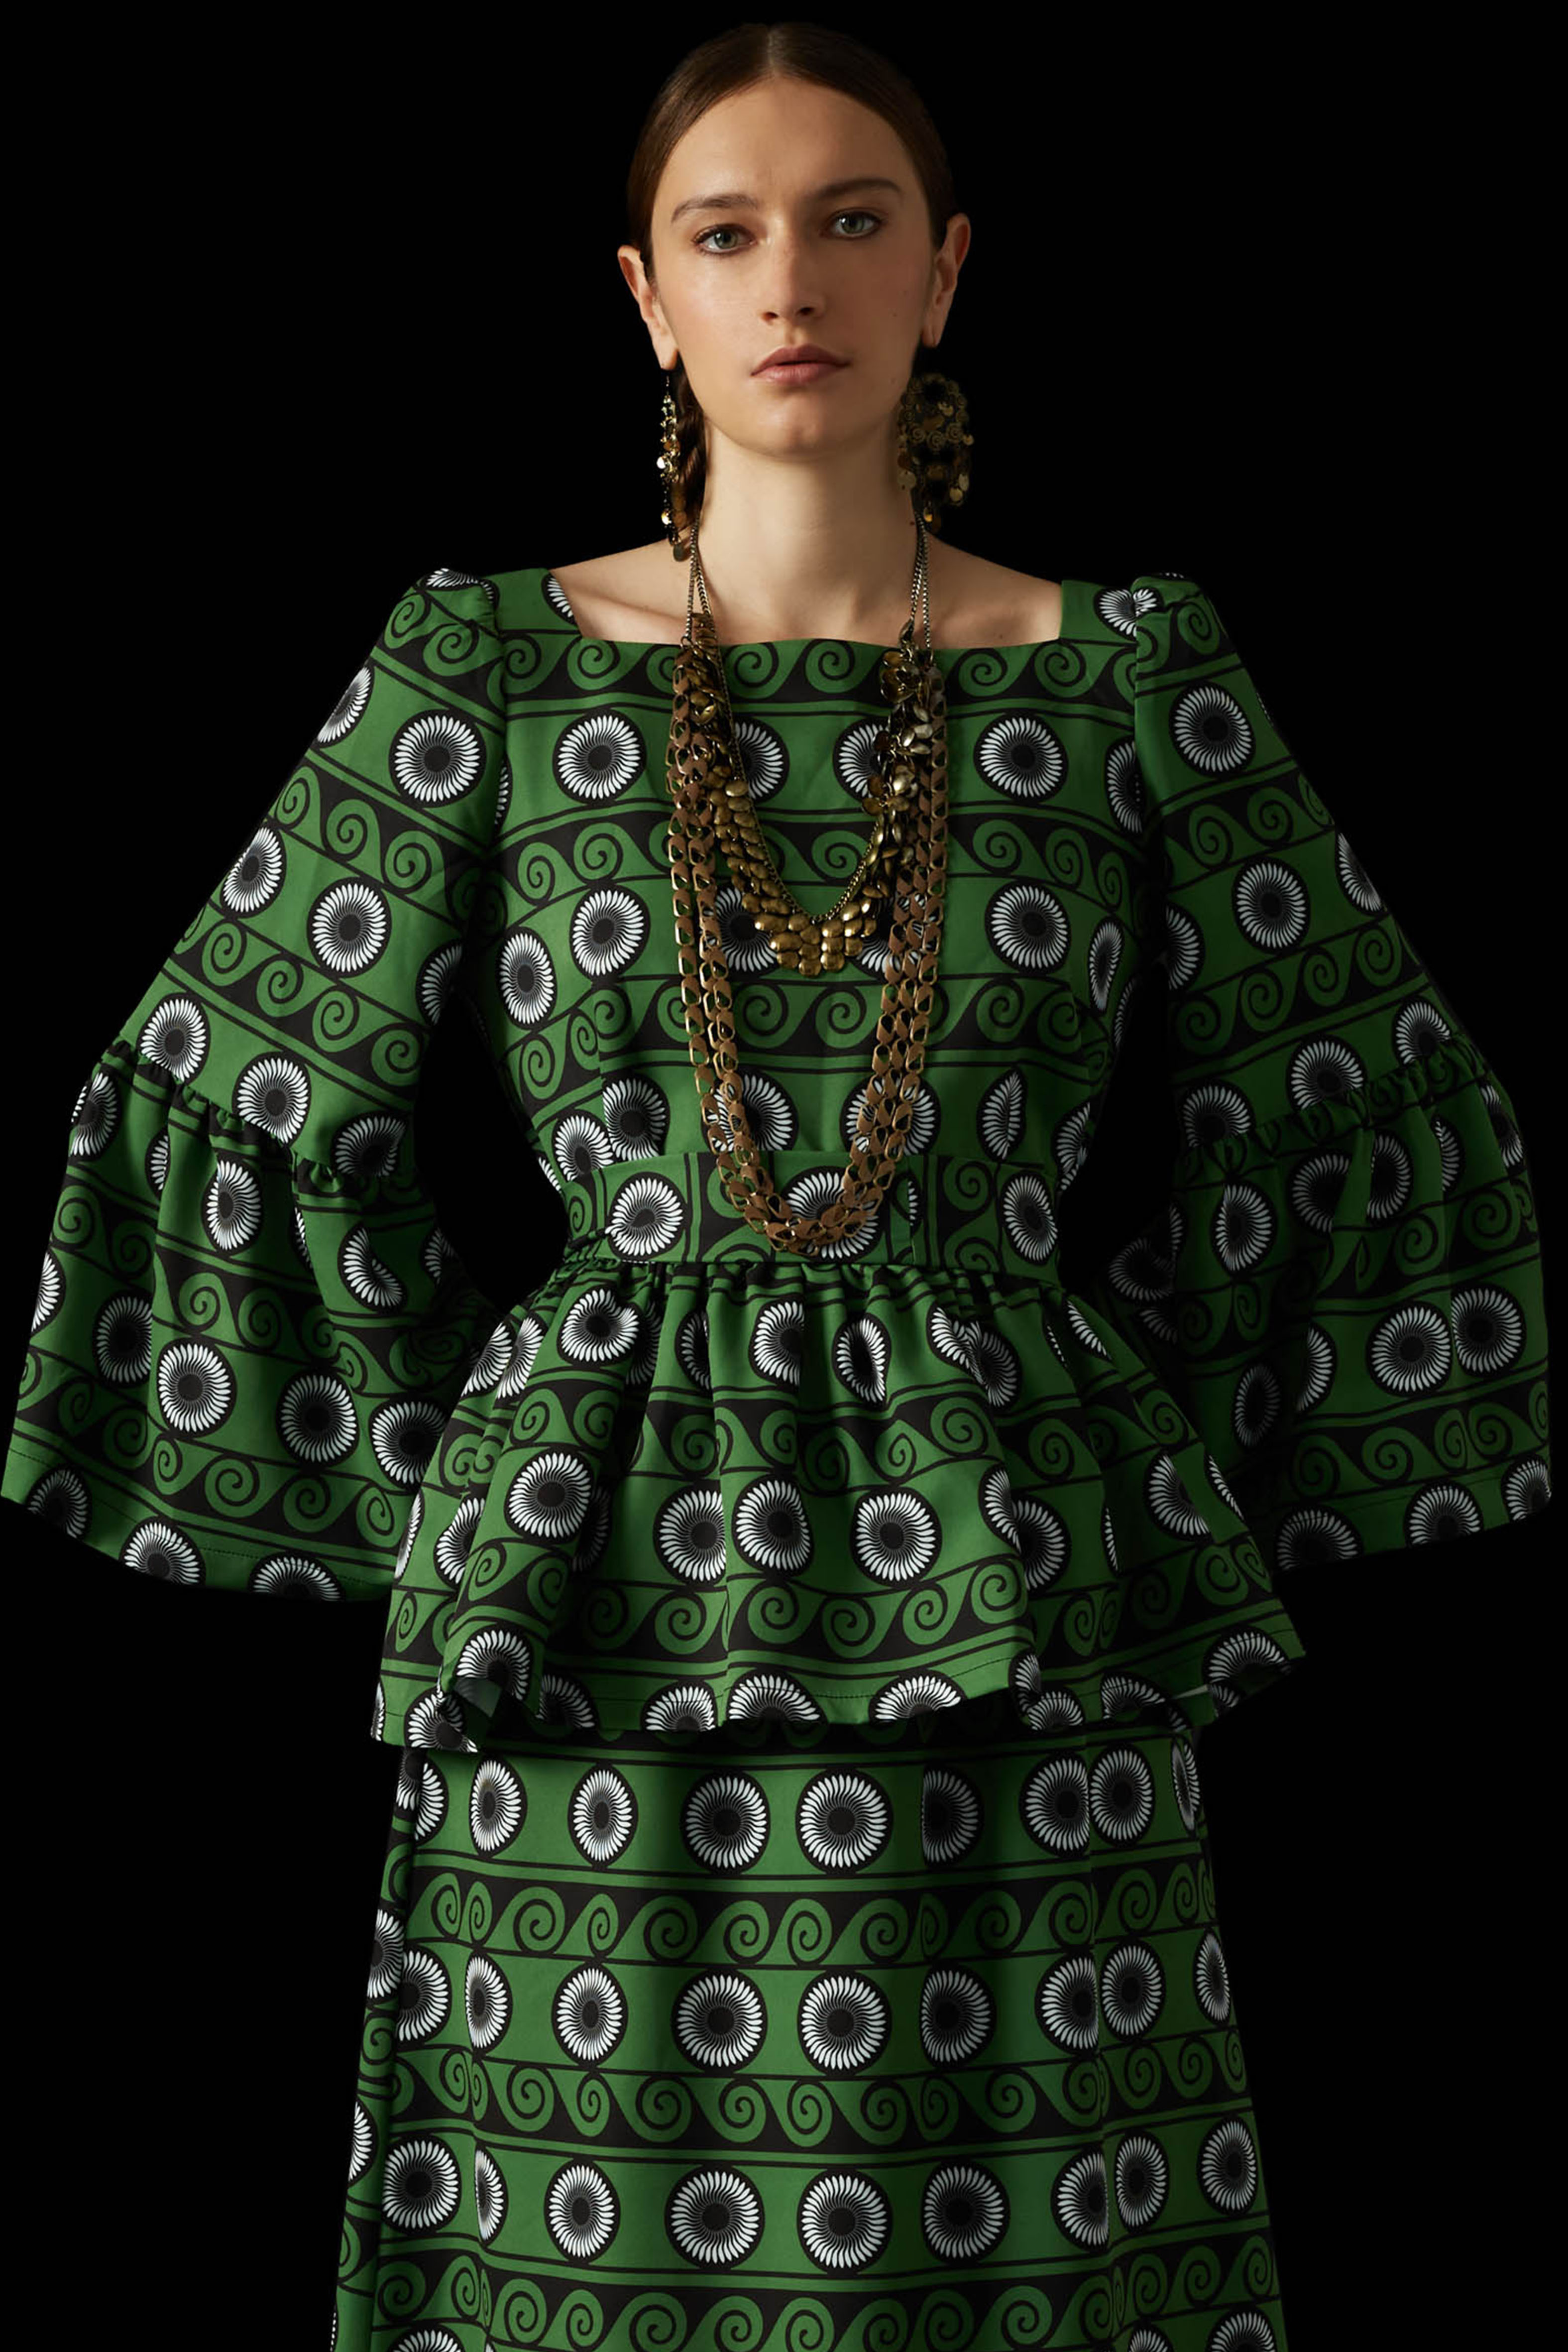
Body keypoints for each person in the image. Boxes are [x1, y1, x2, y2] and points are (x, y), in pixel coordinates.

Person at [2, 26, 1550, 2351]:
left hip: (1018, 1609)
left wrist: (1127, 1456)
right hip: (591, 1599)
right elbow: (224, 1098)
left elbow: (1357, 1109)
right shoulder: (483, 665)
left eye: (848, 219)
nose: (789, 282)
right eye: (724, 231)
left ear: (946, 268)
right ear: (646, 293)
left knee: (1028, 2232)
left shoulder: (1126, 672)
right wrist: (471, 1462)